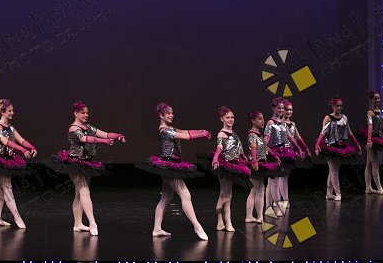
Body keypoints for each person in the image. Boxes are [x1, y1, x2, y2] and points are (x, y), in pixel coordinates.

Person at [47, 101, 125, 236]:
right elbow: (84, 139)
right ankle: (92, 222)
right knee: (84, 191)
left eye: (87, 113)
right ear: (75, 113)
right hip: (75, 163)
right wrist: (103, 141)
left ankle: (77, 224)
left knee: (79, 194)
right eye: (82, 113)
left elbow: (106, 134)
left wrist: (118, 136)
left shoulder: (89, 127)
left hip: (87, 163)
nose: (86, 115)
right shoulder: (73, 128)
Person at [136, 103, 210, 240]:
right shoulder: (165, 131)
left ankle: (157, 228)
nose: (171, 115)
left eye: (172, 113)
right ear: (161, 115)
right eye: (168, 113)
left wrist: (201, 131)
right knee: (185, 195)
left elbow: (185, 131)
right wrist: (202, 134)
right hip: (169, 166)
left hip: (171, 165)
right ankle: (197, 227)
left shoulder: (170, 128)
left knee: (165, 198)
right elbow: (186, 137)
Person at [0, 98, 37, 229]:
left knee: (1, 190)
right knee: (7, 188)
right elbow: (4, 141)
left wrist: (31, 147)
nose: (12, 113)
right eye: (10, 111)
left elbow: (21, 139)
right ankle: (17, 218)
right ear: (3, 112)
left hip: (8, 159)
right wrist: (22, 150)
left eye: (12, 110)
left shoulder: (11, 127)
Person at [207, 106, 250, 232]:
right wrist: (215, 157)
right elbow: (219, 147)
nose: (230, 120)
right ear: (222, 119)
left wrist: (243, 157)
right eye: (227, 117)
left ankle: (224, 222)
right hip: (225, 165)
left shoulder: (234, 133)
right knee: (225, 195)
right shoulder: (222, 133)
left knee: (227, 195)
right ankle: (223, 220)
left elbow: (238, 148)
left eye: (232, 117)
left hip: (235, 164)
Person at [314, 95, 362, 201]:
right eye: (337, 106)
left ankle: (329, 193)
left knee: (333, 170)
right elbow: (323, 133)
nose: (339, 108)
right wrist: (317, 145)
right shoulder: (328, 118)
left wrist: (357, 145)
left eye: (341, 106)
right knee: (334, 171)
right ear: (333, 106)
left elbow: (349, 133)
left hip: (341, 147)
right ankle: (338, 193)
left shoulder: (344, 117)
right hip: (331, 147)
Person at [356, 89, 383, 194]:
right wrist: (369, 140)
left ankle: (368, 187)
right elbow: (370, 126)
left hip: (378, 137)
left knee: (369, 163)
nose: (377, 100)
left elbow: (382, 126)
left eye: (378, 98)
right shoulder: (370, 112)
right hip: (372, 138)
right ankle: (379, 187)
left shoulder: (380, 111)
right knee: (375, 163)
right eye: (375, 98)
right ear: (371, 99)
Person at [245, 110, 282, 222]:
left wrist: (275, 156)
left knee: (254, 190)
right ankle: (260, 216)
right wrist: (254, 161)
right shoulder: (252, 134)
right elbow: (253, 147)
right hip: (256, 164)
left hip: (260, 163)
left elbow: (266, 147)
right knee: (260, 189)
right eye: (260, 119)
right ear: (253, 120)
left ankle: (249, 216)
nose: (263, 121)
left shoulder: (258, 134)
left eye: (263, 119)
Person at [281, 99, 312, 206]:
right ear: (282, 110)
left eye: (291, 110)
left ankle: (283, 199)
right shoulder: (280, 123)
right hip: (283, 151)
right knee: (282, 176)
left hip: (291, 151)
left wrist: (306, 149)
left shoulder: (293, 124)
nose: (289, 112)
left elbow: (298, 137)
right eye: (287, 110)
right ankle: (284, 200)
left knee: (285, 176)